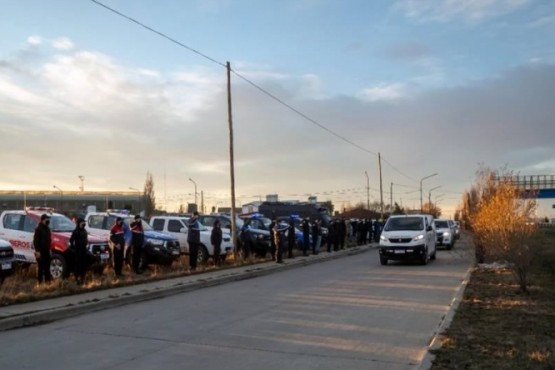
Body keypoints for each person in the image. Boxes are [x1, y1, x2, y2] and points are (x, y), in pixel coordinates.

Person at [33, 214, 52, 284]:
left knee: (47, 267)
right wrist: (37, 251)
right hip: (40, 251)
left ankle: (48, 282)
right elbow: (35, 241)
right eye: (47, 219)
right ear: (43, 220)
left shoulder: (48, 229)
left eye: (48, 219)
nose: (48, 221)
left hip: (47, 251)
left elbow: (49, 240)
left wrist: (50, 249)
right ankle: (40, 283)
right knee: (40, 268)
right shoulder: (38, 229)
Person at [70, 218, 88, 285]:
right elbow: (71, 240)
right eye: (82, 222)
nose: (84, 223)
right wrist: (73, 248)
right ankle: (77, 278)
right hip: (78, 250)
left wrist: (86, 242)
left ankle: (83, 278)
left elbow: (86, 238)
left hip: (84, 249)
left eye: (84, 222)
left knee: (84, 265)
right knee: (78, 265)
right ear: (79, 223)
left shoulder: (84, 230)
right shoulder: (76, 231)